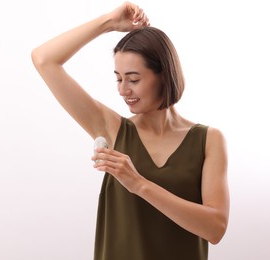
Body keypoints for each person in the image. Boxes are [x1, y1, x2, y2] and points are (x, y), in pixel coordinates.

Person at [31, 2, 229, 259]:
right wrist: (108, 23)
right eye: (118, 78)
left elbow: (215, 228)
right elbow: (44, 59)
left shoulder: (208, 140)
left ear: (164, 75)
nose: (123, 90)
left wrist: (139, 184)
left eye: (133, 79)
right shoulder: (112, 128)